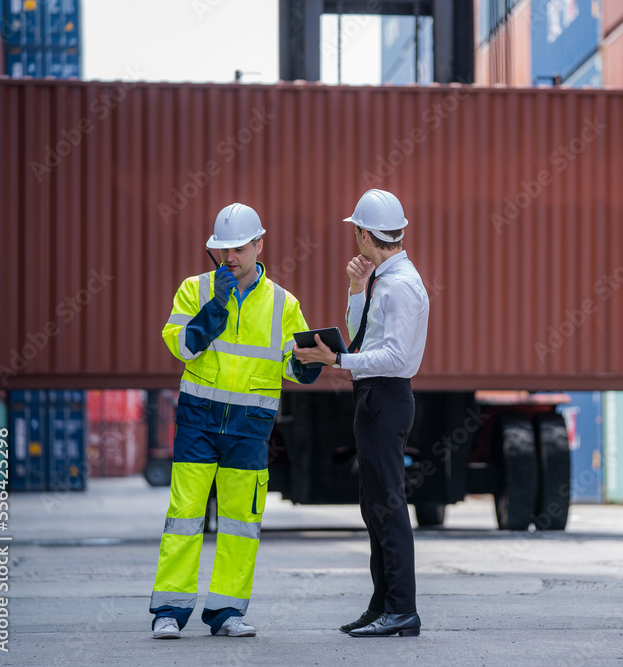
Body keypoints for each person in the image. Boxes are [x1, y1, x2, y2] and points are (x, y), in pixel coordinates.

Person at [150, 203, 321, 639]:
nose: (230, 257)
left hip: (249, 426)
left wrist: (311, 362)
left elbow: (294, 366)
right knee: (184, 517)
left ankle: (226, 612)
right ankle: (169, 609)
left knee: (240, 525)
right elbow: (183, 347)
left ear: (259, 245)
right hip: (198, 422)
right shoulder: (194, 290)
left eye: (239, 248)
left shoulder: (284, 303)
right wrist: (217, 305)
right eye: (222, 249)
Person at [294, 189, 429, 638]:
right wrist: (355, 289)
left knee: (388, 506)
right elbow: (362, 337)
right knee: (374, 507)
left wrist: (335, 361)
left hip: (386, 398)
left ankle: (402, 608)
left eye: (356, 231)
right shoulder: (382, 279)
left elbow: (390, 357)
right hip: (374, 398)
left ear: (364, 235)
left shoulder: (401, 285)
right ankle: (382, 604)